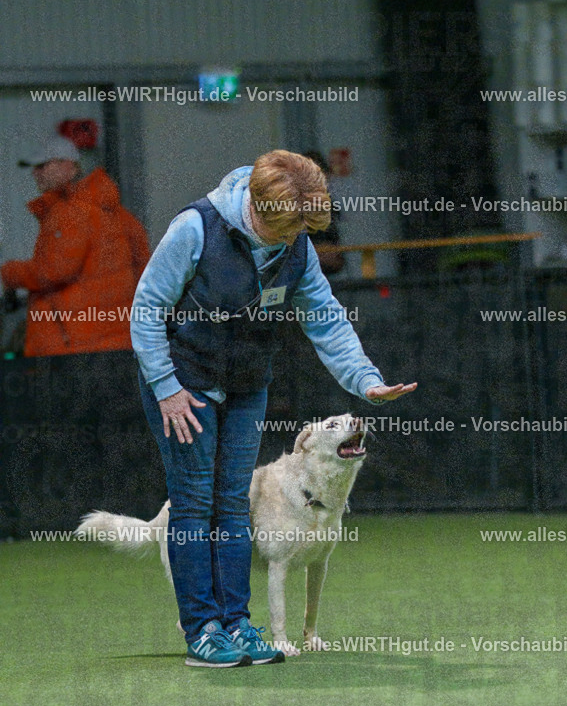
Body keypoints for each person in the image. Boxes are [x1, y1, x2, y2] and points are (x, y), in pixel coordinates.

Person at [131, 149, 417, 669]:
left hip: (245, 383)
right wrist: (166, 386)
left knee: (233, 503)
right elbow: (146, 309)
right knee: (195, 504)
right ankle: (202, 631)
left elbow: (326, 320)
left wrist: (366, 381)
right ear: (258, 210)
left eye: (301, 232)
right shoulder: (195, 229)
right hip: (183, 382)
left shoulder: (297, 242)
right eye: (286, 230)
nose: (293, 241)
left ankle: (237, 623)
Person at [0, 135, 149, 357]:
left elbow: (54, 271)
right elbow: (145, 270)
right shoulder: (120, 214)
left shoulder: (69, 213)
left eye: (42, 166)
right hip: (119, 341)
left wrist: (9, 273)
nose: (35, 173)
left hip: (73, 346)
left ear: (68, 165)